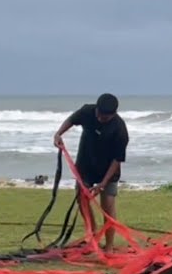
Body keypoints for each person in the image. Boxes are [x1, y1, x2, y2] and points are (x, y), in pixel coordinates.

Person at [52, 93, 129, 253]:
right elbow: (71, 120)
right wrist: (59, 133)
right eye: (99, 114)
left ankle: (109, 245)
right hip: (85, 164)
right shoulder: (87, 111)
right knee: (82, 198)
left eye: (105, 117)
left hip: (108, 171)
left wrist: (103, 184)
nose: (100, 118)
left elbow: (117, 160)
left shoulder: (120, 129)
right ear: (96, 108)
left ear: (113, 114)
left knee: (107, 206)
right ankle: (92, 233)